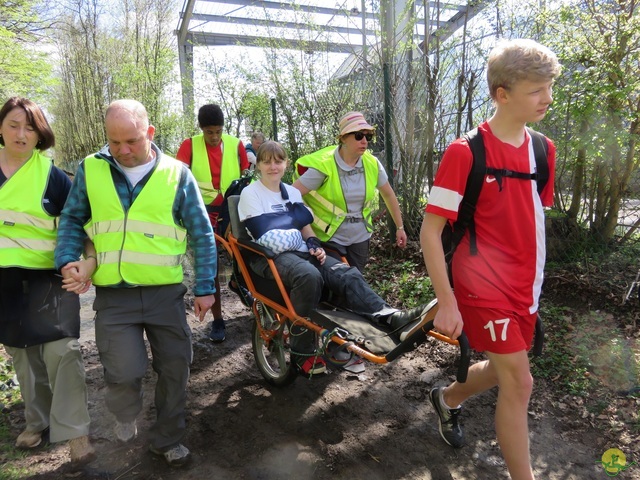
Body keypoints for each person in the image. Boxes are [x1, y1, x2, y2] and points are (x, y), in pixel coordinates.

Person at [420, 39, 560, 480]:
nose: (547, 98)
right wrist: (447, 301)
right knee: (520, 381)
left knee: (504, 372)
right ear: (502, 93)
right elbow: (430, 230)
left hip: (526, 285)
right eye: (536, 89)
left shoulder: (543, 151)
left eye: (549, 87)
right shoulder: (465, 152)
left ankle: (447, 399)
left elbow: (528, 220)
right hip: (482, 285)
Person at [55, 99, 217, 467]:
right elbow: (71, 219)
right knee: (123, 372)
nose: (123, 151)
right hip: (115, 296)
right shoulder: (90, 170)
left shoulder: (178, 174)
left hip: (165, 295)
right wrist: (68, 261)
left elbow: (202, 234)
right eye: (114, 142)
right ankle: (125, 413)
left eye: (131, 141)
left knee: (176, 366)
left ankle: (167, 439)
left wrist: (206, 287)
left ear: (150, 133)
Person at [238, 141, 426, 375]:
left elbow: (304, 226)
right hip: (269, 257)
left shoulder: (292, 192)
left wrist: (312, 242)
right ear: (259, 165)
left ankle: (391, 318)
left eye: (278, 161)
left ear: (286, 163)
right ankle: (302, 351)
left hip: (299, 250)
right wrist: (295, 232)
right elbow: (266, 236)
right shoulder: (250, 193)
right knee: (309, 275)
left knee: (346, 274)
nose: (273, 166)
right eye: (267, 161)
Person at [0, 97, 96, 464]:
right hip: (5, 284)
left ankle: (75, 434)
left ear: (40, 134)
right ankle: (36, 422)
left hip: (50, 280)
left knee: (63, 353)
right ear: (0, 127)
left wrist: (88, 261)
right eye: (13, 124)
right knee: (23, 357)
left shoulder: (54, 178)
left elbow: (82, 228)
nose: (21, 134)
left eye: (30, 127)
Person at [292, 111, 407, 272]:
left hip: (360, 237)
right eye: (359, 135)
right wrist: (305, 230)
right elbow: (291, 195)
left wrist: (400, 228)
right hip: (328, 238)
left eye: (368, 137)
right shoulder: (324, 166)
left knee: (355, 281)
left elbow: (388, 194)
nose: (365, 141)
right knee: (340, 284)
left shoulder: (372, 163)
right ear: (343, 138)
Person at [176, 103, 250, 343]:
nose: (215, 137)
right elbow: (178, 178)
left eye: (218, 131)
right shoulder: (189, 146)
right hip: (203, 213)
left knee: (243, 255)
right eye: (209, 132)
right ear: (202, 129)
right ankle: (218, 320)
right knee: (211, 266)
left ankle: (239, 282)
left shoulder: (236, 145)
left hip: (232, 210)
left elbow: (246, 176)